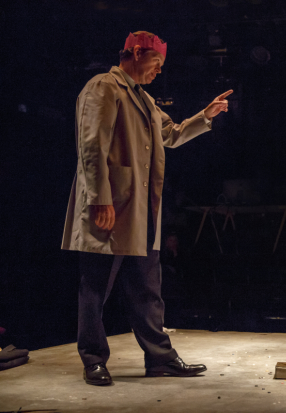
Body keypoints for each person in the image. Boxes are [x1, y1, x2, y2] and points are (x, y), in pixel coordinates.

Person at [61, 31, 233, 385]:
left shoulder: (145, 100)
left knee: (146, 288)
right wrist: (99, 198)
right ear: (137, 53)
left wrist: (206, 114)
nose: (158, 71)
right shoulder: (103, 87)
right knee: (95, 287)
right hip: (111, 206)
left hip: (140, 213)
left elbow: (171, 134)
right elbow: (92, 146)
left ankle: (160, 358)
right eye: (156, 63)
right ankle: (93, 358)